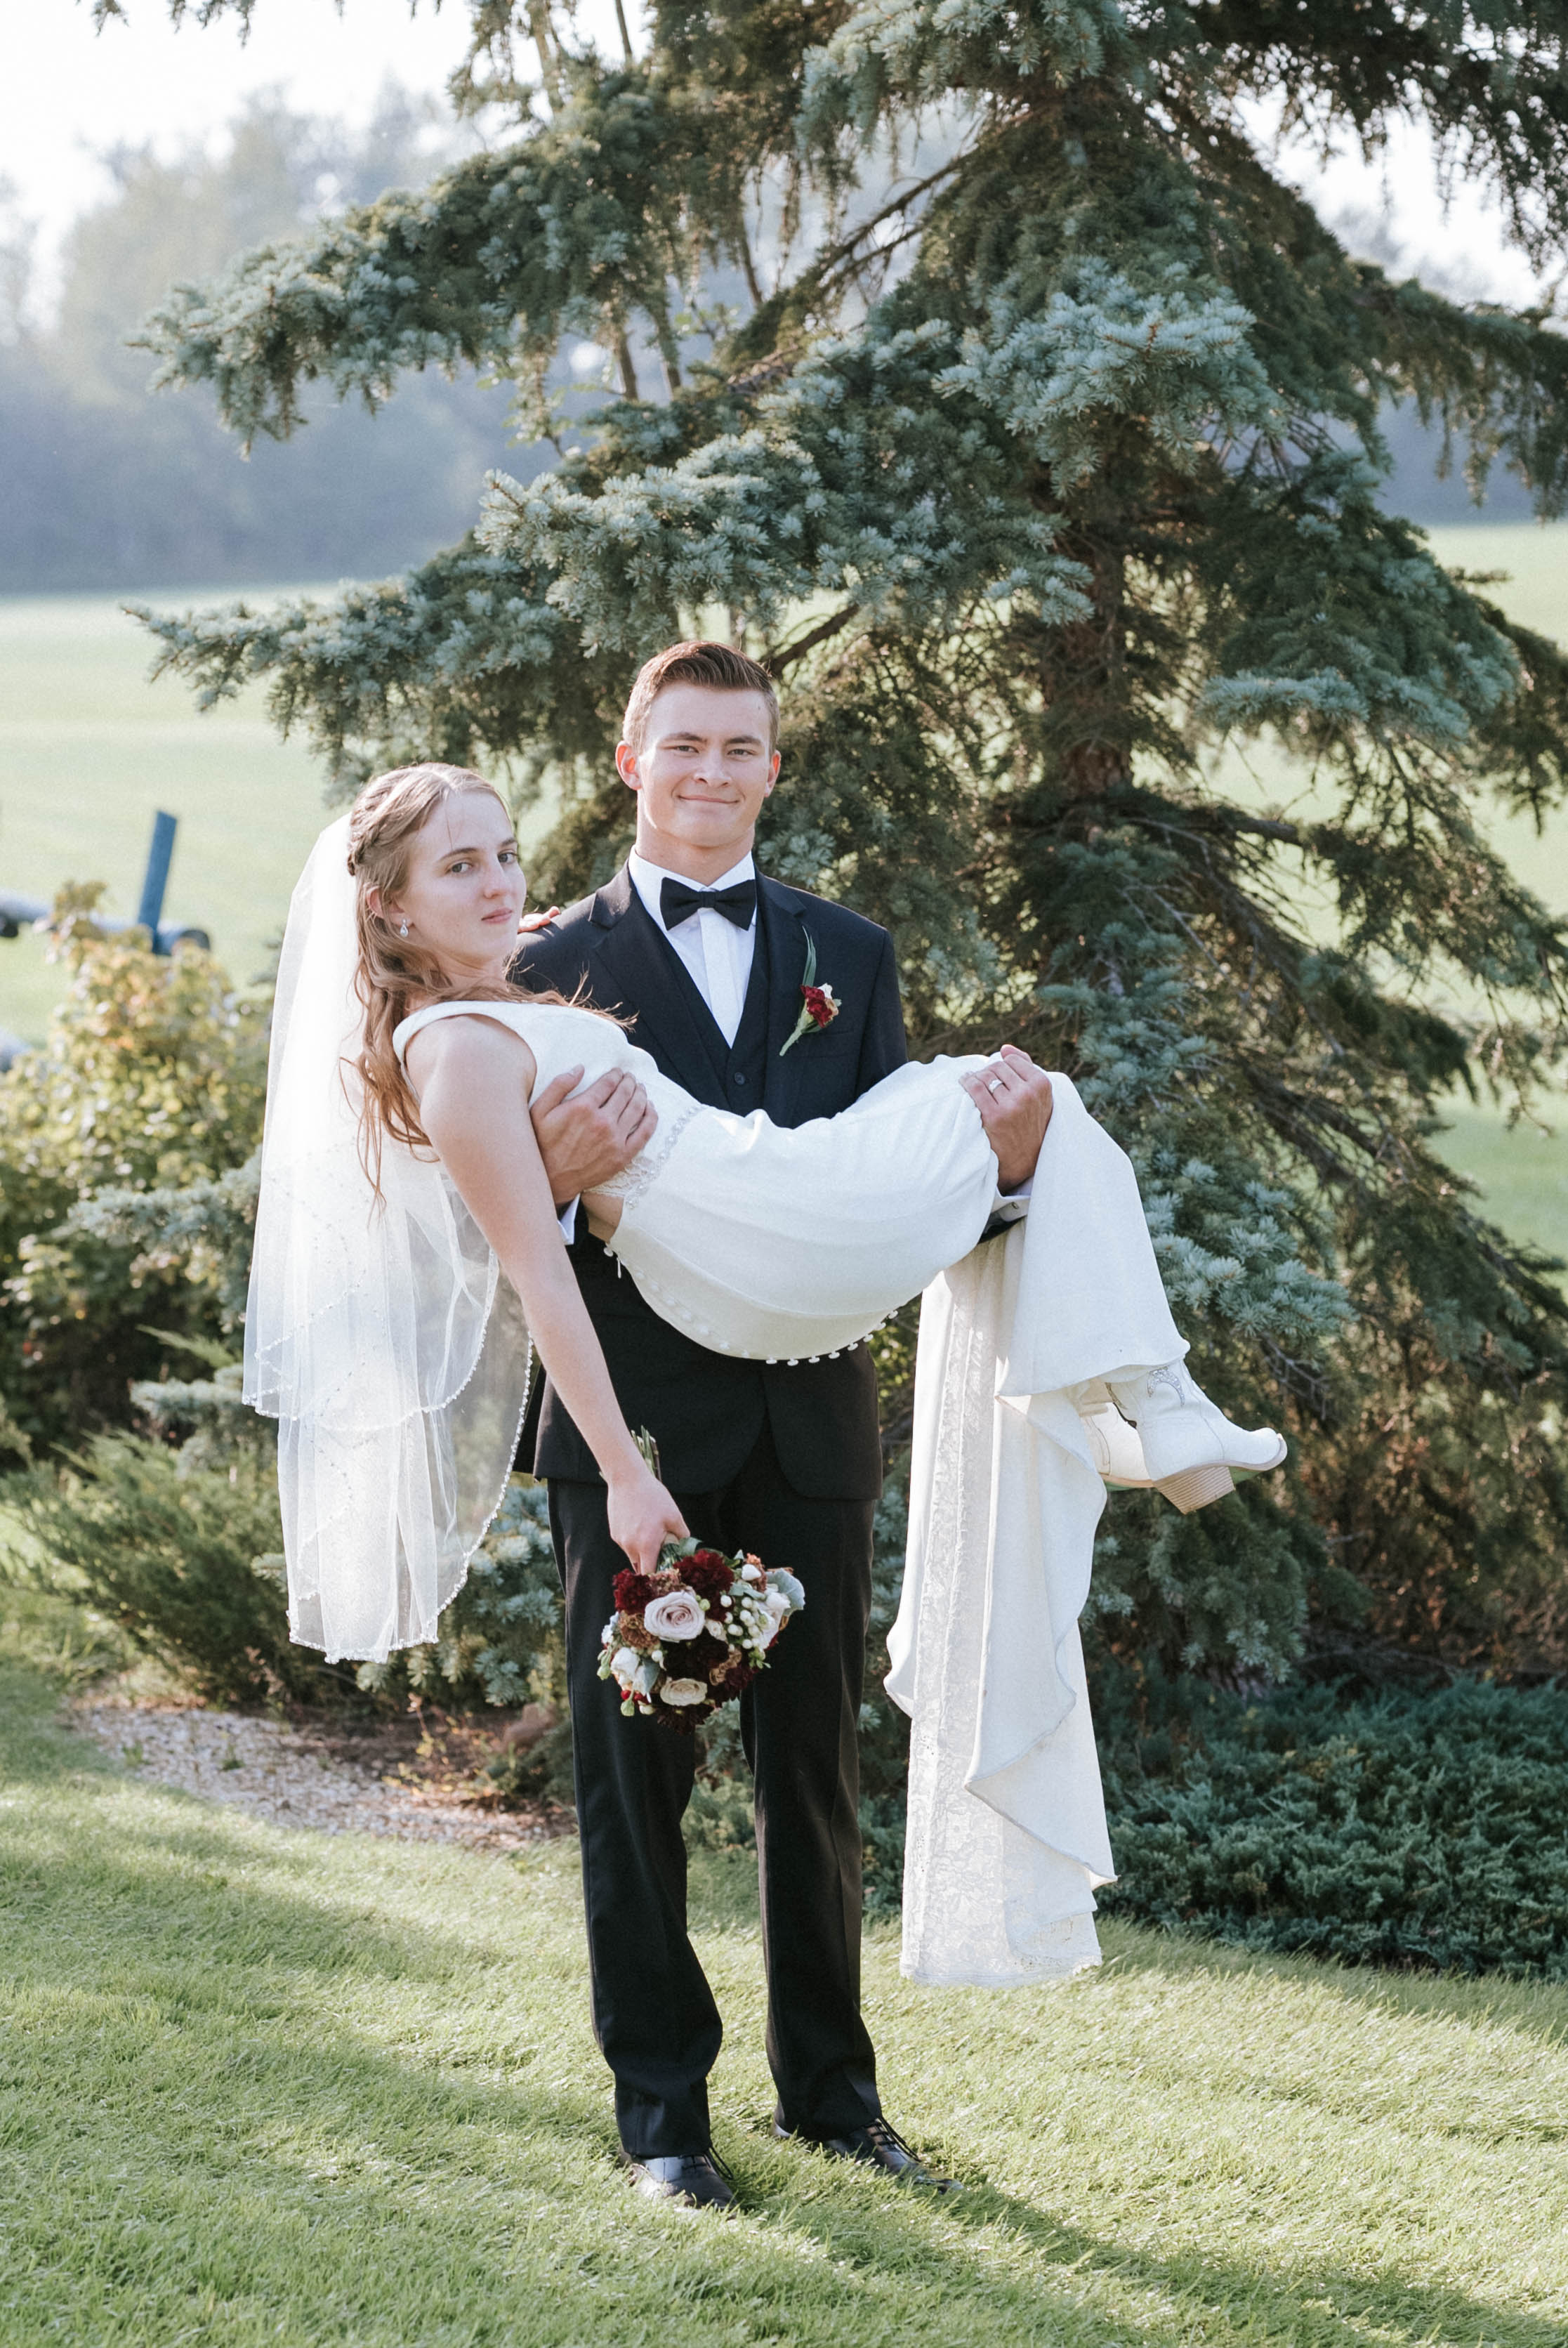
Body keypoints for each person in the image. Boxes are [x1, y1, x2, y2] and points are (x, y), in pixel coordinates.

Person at [244, 678, 1285, 2213]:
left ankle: (833, 2099)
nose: (711, 770)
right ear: (632, 762)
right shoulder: (543, 963)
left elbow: (869, 1196)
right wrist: (560, 1211)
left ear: (772, 766)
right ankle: (664, 2119)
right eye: (684, 744)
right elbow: (493, 1244)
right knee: (636, 1783)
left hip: (808, 1407)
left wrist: (999, 1179)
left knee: (814, 1775)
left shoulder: (843, 954)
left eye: (741, 746)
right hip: (641, 1424)